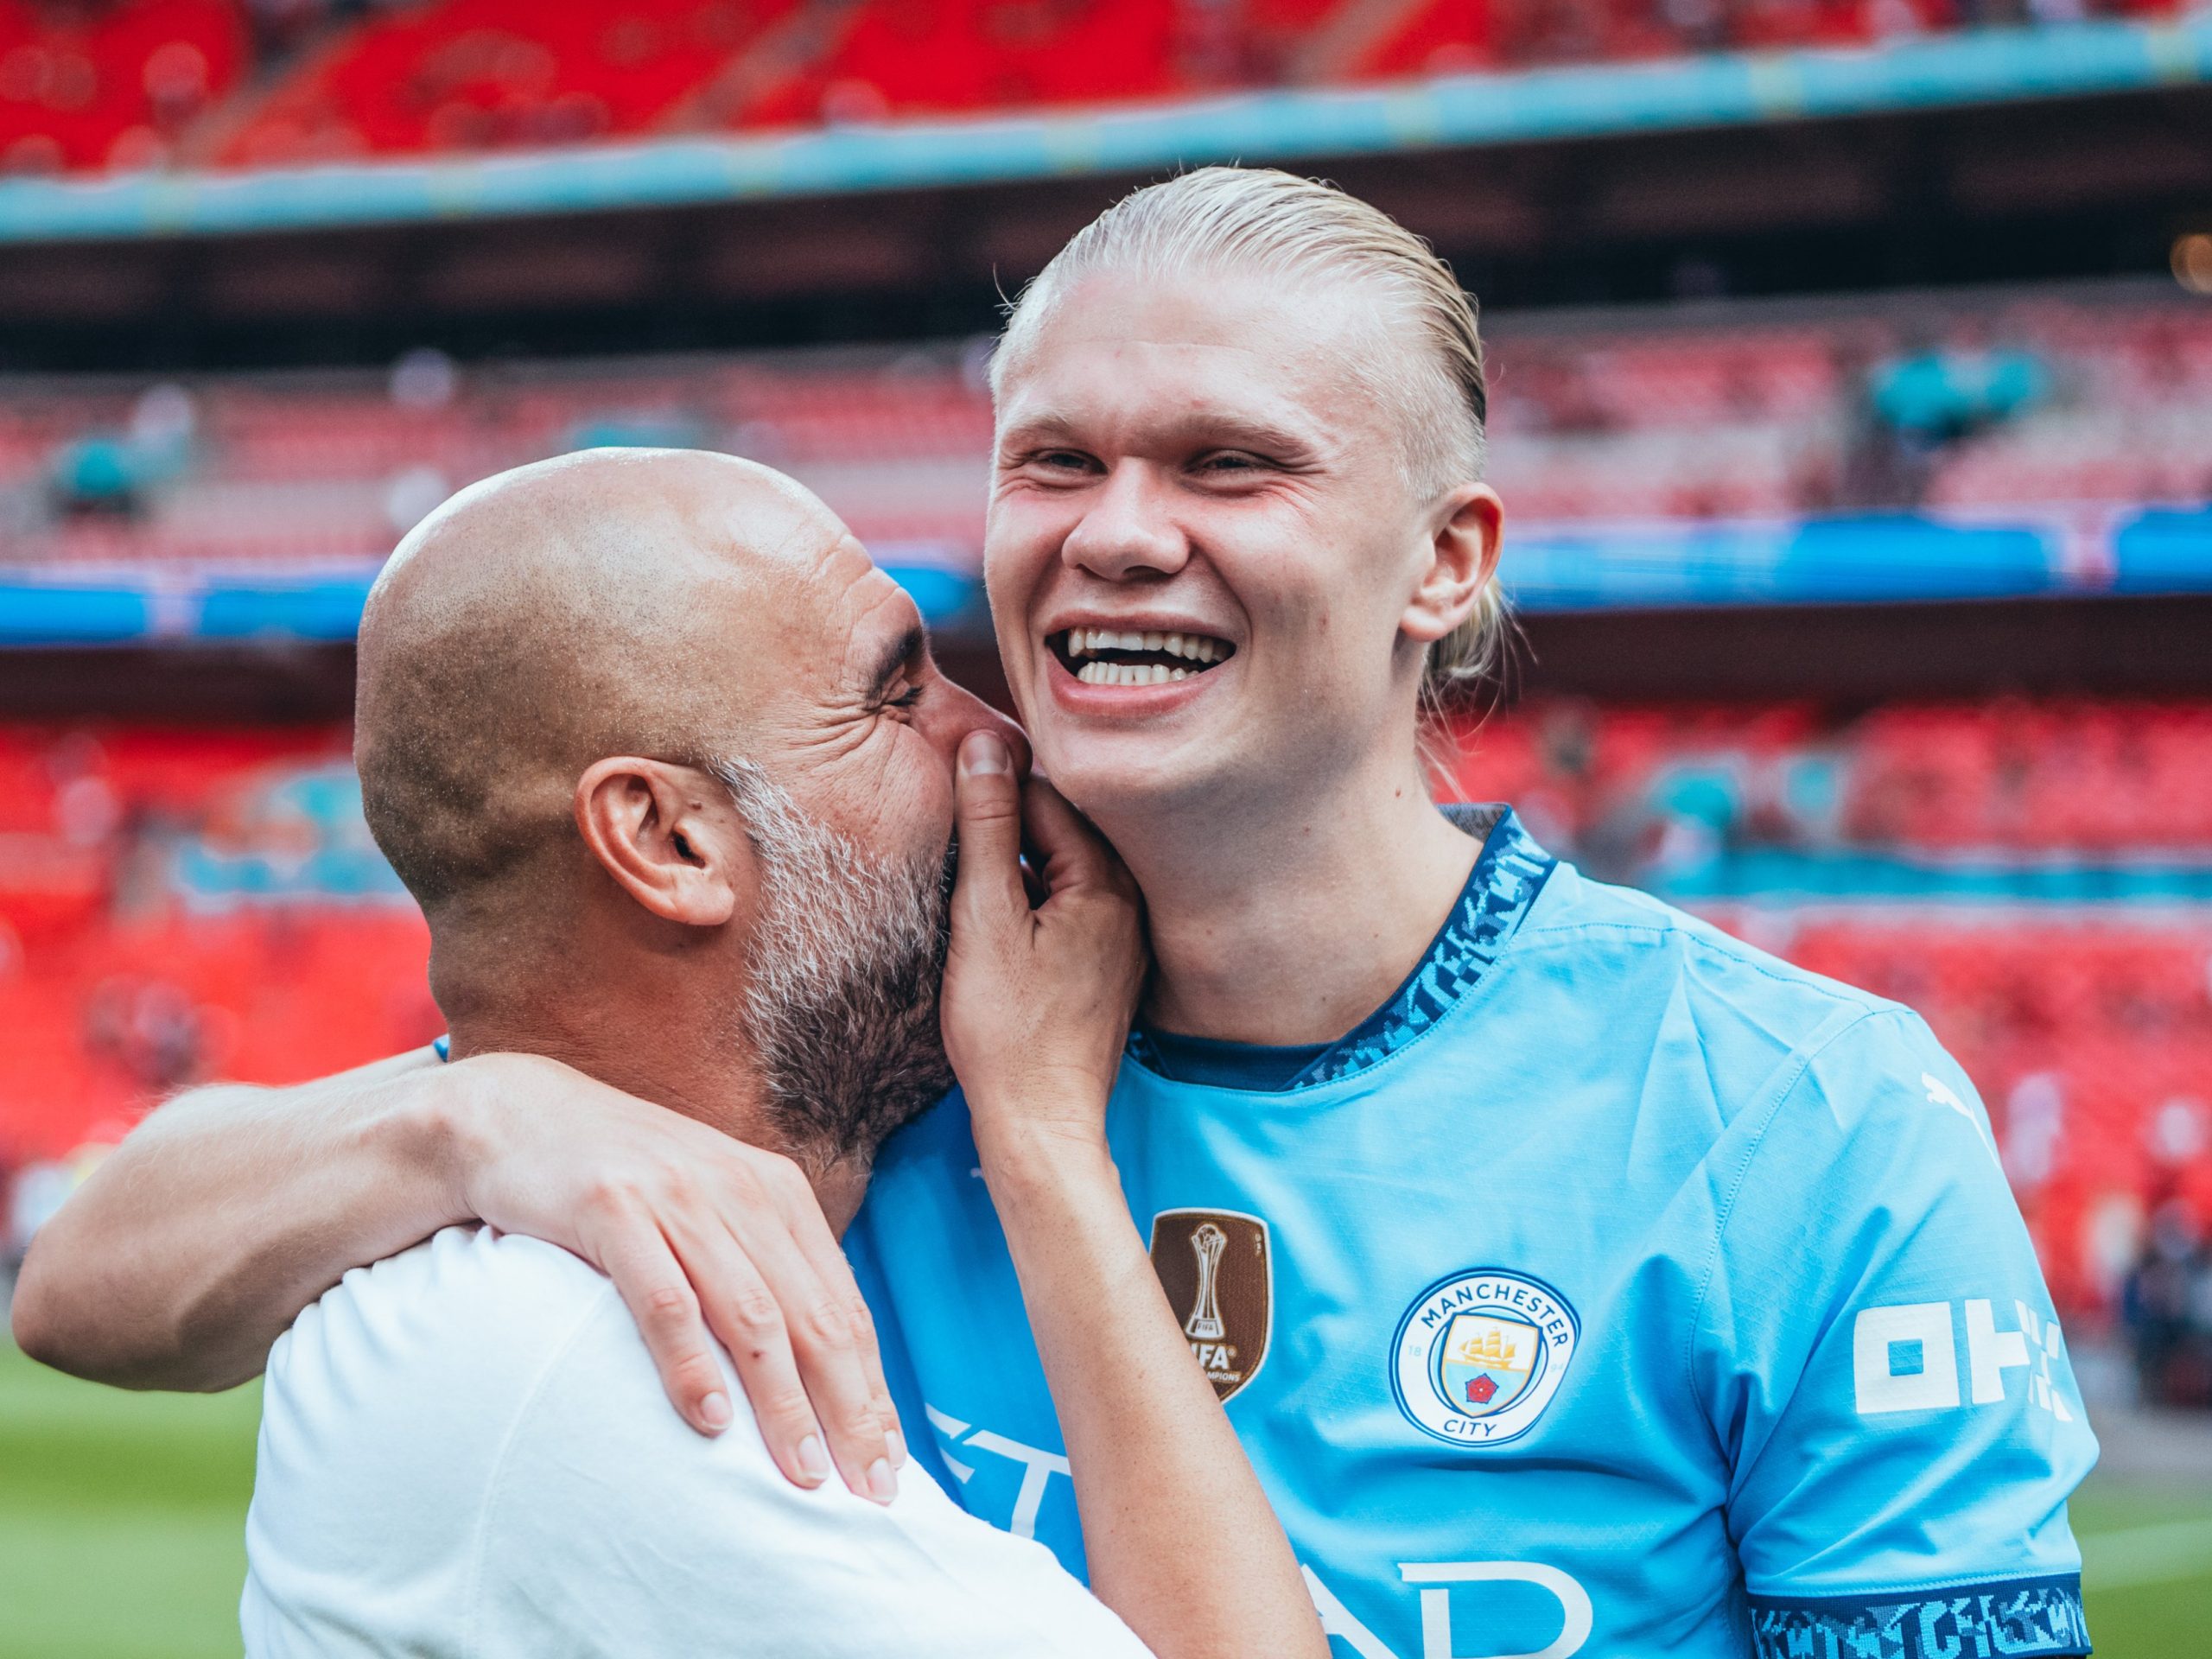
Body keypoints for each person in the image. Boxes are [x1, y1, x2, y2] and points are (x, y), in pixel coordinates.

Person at [17, 169, 2096, 1659]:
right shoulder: (852, 1024)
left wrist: (1041, 1139)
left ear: (1444, 561)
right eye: (1054, 461)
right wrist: (459, 1119)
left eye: (1226, 464)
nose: (1117, 536)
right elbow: (87, 1279)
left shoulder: (1796, 1116)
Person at [183, 449, 1329, 1659]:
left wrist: (471, 1113)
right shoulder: (602, 1376)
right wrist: (1042, 1133)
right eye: (898, 697)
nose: (995, 738)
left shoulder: (494, 1226)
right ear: (669, 840)